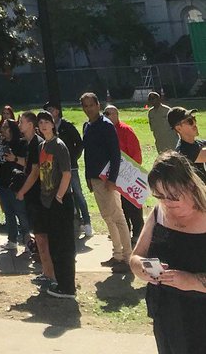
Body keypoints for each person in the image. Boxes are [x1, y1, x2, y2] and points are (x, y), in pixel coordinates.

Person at [130, 150, 206, 354]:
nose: (166, 203)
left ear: (190, 185)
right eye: (159, 196)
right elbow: (135, 258)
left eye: (172, 196)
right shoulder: (158, 214)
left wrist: (191, 281)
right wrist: (143, 269)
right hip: (166, 316)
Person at [80, 91, 132, 270]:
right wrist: (87, 177)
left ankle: (127, 258)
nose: (88, 109)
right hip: (95, 179)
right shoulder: (87, 126)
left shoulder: (106, 125)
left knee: (117, 217)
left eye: (91, 105)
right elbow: (88, 154)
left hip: (107, 179)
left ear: (98, 105)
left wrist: (112, 179)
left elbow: (115, 154)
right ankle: (117, 254)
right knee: (107, 217)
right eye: (85, 106)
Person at [34, 111, 76, 300]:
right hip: (47, 201)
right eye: (40, 122)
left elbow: (67, 174)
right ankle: (60, 282)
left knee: (64, 245)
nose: (43, 125)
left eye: (46, 122)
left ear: (53, 124)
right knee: (55, 245)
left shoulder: (59, 146)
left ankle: (68, 287)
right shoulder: (42, 146)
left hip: (61, 200)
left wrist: (59, 196)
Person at [17, 110, 58, 288]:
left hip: (39, 197)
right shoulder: (30, 143)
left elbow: (35, 172)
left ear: (30, 125)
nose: (19, 125)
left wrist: (21, 191)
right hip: (35, 197)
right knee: (40, 236)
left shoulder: (37, 143)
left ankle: (51, 275)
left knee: (42, 237)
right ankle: (47, 273)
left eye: (22, 122)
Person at [46, 101, 92, 237]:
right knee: (65, 195)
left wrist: (73, 157)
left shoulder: (66, 126)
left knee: (78, 193)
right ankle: (74, 221)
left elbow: (79, 143)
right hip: (55, 168)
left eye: (51, 109)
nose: (49, 112)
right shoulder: (48, 128)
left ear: (57, 111)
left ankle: (87, 222)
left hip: (70, 166)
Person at [105, 103, 145, 242]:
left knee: (132, 205)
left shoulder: (126, 130)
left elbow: (136, 153)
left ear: (116, 115)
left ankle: (138, 232)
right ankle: (124, 232)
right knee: (118, 206)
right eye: (105, 113)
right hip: (112, 175)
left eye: (109, 113)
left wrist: (131, 172)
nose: (106, 116)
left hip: (128, 174)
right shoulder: (105, 131)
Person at [0, 118, 30, 252]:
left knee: (21, 212)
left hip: (16, 184)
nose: (2, 130)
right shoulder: (2, 142)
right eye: (2, 127)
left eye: (5, 127)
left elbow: (27, 163)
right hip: (2, 183)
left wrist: (14, 158)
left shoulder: (21, 143)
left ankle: (27, 240)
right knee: (8, 213)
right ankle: (12, 240)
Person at [167, 108, 206, 184]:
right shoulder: (183, 152)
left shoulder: (197, 143)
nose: (194, 123)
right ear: (179, 128)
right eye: (190, 121)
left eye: (193, 118)